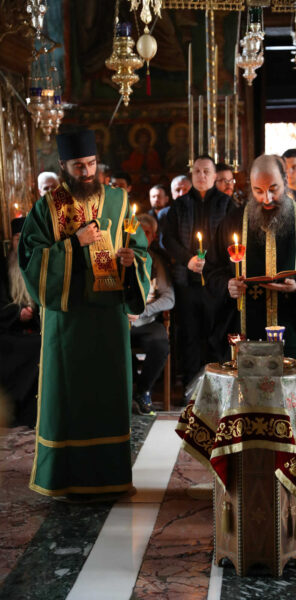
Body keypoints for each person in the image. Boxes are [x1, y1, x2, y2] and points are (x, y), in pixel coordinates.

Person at [18, 130, 151, 501]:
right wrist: (74, 244)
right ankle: (65, 478)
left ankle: (110, 477)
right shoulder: (48, 207)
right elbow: (30, 259)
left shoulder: (119, 200)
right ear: (64, 166)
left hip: (108, 320)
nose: (87, 172)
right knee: (69, 398)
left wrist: (133, 261)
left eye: (91, 164)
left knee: (108, 398)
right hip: (68, 321)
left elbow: (140, 247)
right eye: (79, 166)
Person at [204, 154, 296, 503]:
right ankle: (248, 485)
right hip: (246, 338)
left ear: (286, 183)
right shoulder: (233, 221)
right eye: (258, 190)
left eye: (274, 189)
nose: (266, 198)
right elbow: (213, 270)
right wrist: (226, 287)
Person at [163, 155, 234, 398]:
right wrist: (188, 259)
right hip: (187, 281)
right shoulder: (180, 205)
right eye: (197, 171)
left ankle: (217, 387)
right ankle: (191, 389)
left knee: (216, 334)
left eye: (206, 171)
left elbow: (233, 238)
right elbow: (168, 239)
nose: (201, 176)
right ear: (191, 175)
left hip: (217, 282)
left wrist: (211, 263)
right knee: (190, 335)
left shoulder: (226, 204)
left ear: (215, 176)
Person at [129, 214, 174, 415]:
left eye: (147, 233)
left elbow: (169, 298)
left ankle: (142, 390)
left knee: (160, 344)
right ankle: (125, 390)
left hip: (146, 321)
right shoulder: (121, 255)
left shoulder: (156, 261)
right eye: (138, 231)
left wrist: (141, 312)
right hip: (121, 322)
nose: (142, 236)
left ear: (153, 236)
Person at [0, 217, 40, 428]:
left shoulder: (38, 267)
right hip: (7, 332)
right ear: (11, 242)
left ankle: (32, 412)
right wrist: (17, 314)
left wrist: (33, 313)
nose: (22, 243)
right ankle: (14, 410)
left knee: (44, 344)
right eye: (17, 238)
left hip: (32, 330)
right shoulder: (2, 268)